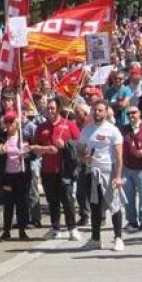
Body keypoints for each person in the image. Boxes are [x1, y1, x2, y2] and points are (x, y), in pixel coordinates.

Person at [30, 98, 82, 241]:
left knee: (67, 200)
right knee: (52, 201)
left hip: (65, 169)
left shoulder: (69, 124)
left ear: (58, 109)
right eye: (48, 108)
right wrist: (46, 149)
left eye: (53, 108)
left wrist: (65, 145)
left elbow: (79, 144)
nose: (50, 111)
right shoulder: (41, 127)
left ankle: (72, 228)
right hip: (48, 170)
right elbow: (34, 148)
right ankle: (55, 228)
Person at [80, 100, 125, 252]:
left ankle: (118, 238)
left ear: (106, 112)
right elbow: (82, 150)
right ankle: (95, 239)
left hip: (108, 171)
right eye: (95, 110)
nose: (97, 113)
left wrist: (118, 176)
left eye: (100, 110)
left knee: (114, 205)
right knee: (95, 206)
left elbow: (119, 156)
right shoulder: (86, 130)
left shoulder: (113, 130)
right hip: (92, 171)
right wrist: (85, 156)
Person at [0, 112, 31, 241]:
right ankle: (6, 230)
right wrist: (0, 149)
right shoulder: (2, 137)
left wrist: (27, 154)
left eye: (11, 123)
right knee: (8, 204)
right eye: (7, 123)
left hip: (21, 175)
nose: (9, 126)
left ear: (16, 123)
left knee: (21, 203)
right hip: (7, 176)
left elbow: (31, 153)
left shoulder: (23, 136)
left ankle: (22, 230)